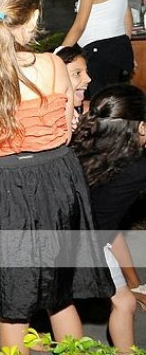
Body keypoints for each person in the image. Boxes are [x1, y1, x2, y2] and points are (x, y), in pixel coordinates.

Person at [0, 0, 114, 353]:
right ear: (34, 16)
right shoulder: (53, 66)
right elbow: (65, 133)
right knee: (61, 296)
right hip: (56, 183)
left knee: (13, 307)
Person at [72, 84, 146, 351]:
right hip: (83, 243)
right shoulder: (136, 168)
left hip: (58, 233)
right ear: (141, 128)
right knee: (123, 303)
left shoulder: (80, 149)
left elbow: (109, 228)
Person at [56, 0, 134, 98]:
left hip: (100, 54)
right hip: (118, 52)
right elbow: (127, 19)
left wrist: (59, 54)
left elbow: (79, 25)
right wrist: (126, 50)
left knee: (98, 103)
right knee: (112, 101)